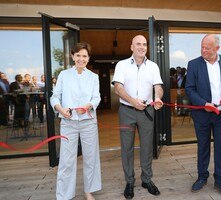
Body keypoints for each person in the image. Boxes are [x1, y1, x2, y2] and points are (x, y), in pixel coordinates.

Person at [185, 34, 221, 199]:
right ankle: (202, 177)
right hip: (202, 113)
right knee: (202, 146)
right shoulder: (193, 64)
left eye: (208, 48)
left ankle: (220, 180)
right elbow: (190, 89)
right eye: (202, 47)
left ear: (217, 48)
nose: (204, 50)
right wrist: (204, 104)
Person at [112, 35, 164, 199]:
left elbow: (158, 87)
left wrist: (157, 98)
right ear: (131, 47)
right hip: (127, 111)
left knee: (147, 147)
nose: (142, 47)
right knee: (126, 148)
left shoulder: (153, 66)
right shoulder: (122, 65)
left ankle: (147, 180)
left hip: (147, 111)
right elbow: (118, 88)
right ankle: (129, 182)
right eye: (138, 44)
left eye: (144, 44)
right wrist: (133, 101)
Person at [50, 42, 102, 200]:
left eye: (84, 56)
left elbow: (96, 97)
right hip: (68, 123)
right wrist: (60, 109)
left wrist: (88, 106)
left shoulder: (93, 77)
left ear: (88, 58)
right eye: (78, 55)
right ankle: (64, 195)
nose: (81, 58)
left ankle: (89, 191)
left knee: (90, 157)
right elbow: (55, 96)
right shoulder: (64, 75)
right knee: (66, 160)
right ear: (72, 56)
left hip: (88, 123)